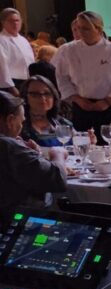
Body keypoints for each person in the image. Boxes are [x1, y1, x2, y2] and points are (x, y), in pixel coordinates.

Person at [53, 10, 111, 138]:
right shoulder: (69, 50)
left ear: (99, 30)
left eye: (86, 29)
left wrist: (107, 102)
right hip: (82, 107)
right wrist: (78, 99)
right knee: (83, 144)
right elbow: (62, 78)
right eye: (79, 28)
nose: (81, 32)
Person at [0, 90, 66, 219]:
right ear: (10, 120)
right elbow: (58, 179)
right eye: (21, 122)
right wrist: (58, 154)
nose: (21, 127)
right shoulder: (8, 146)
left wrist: (34, 155)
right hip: (16, 220)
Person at [21, 75, 75, 148]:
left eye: (47, 93)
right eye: (35, 94)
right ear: (25, 97)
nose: (42, 98)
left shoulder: (63, 123)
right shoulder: (19, 125)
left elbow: (78, 148)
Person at [0, 8, 35, 92]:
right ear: (3, 23)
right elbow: (2, 66)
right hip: (11, 82)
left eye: (17, 20)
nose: (15, 23)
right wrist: (11, 87)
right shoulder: (1, 39)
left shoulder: (23, 40)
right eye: (11, 21)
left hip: (28, 79)